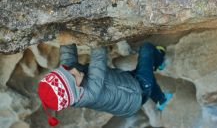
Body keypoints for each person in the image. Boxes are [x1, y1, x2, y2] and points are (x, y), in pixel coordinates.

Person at [37, 42, 173, 126]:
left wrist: (65, 36)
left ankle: (161, 99)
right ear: (76, 90)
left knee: (147, 75)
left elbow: (67, 57)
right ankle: (160, 61)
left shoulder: (70, 86)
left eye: (65, 70)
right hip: (137, 93)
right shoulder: (91, 92)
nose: (72, 69)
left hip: (125, 87)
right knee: (147, 49)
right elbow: (99, 55)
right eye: (72, 75)